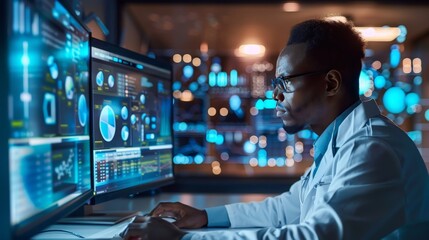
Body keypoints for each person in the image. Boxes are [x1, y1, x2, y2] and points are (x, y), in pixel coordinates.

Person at [123, 18, 429, 240]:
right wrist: (203, 217)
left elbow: (315, 236)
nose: (276, 95)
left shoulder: (372, 148)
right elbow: (289, 208)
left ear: (331, 83)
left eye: (285, 82)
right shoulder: (341, 141)